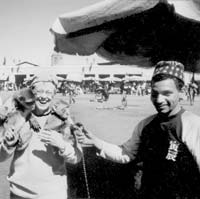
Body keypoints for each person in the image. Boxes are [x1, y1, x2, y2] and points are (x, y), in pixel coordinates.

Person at [76, 61, 200, 199]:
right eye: (154, 93)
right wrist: (95, 141)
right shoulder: (146, 125)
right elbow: (126, 153)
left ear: (181, 92)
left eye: (167, 93)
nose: (159, 100)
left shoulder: (193, 125)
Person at [0, 73, 82, 199]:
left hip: (53, 193)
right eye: (40, 92)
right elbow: (1, 157)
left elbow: (76, 157)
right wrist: (8, 144)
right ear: (32, 93)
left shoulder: (63, 119)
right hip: (20, 193)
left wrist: (62, 144)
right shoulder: (17, 117)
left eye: (48, 92)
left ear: (54, 94)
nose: (44, 96)